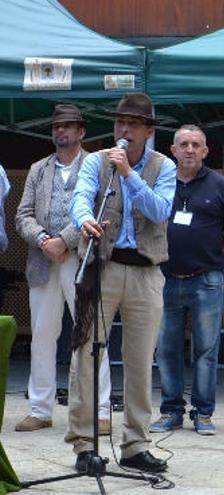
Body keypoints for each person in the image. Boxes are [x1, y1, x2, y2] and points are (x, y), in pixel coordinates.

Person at [67, 92, 176, 473]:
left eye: (132, 124)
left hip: (146, 272)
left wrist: (129, 176)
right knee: (86, 355)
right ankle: (84, 444)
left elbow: (160, 211)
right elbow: (80, 197)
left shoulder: (164, 166)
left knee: (140, 360)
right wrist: (84, 219)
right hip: (102, 267)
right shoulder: (96, 162)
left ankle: (135, 444)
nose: (123, 130)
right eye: (119, 123)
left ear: (148, 130)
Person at [14, 104, 113, 434]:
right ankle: (40, 409)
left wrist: (65, 241)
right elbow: (22, 215)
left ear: (81, 132)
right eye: (57, 126)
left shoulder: (97, 166)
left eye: (69, 126)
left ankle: (99, 411)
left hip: (81, 259)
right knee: (42, 336)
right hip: (43, 262)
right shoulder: (38, 169)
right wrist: (44, 240)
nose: (61, 131)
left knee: (90, 335)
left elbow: (100, 210)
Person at [148, 125, 224, 436]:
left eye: (196, 145)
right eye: (184, 144)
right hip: (164, 278)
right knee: (166, 349)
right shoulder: (159, 184)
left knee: (206, 350)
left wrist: (212, 248)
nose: (190, 149)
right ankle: (171, 412)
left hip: (206, 279)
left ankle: (203, 413)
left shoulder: (222, 186)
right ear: (173, 150)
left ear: (206, 151)